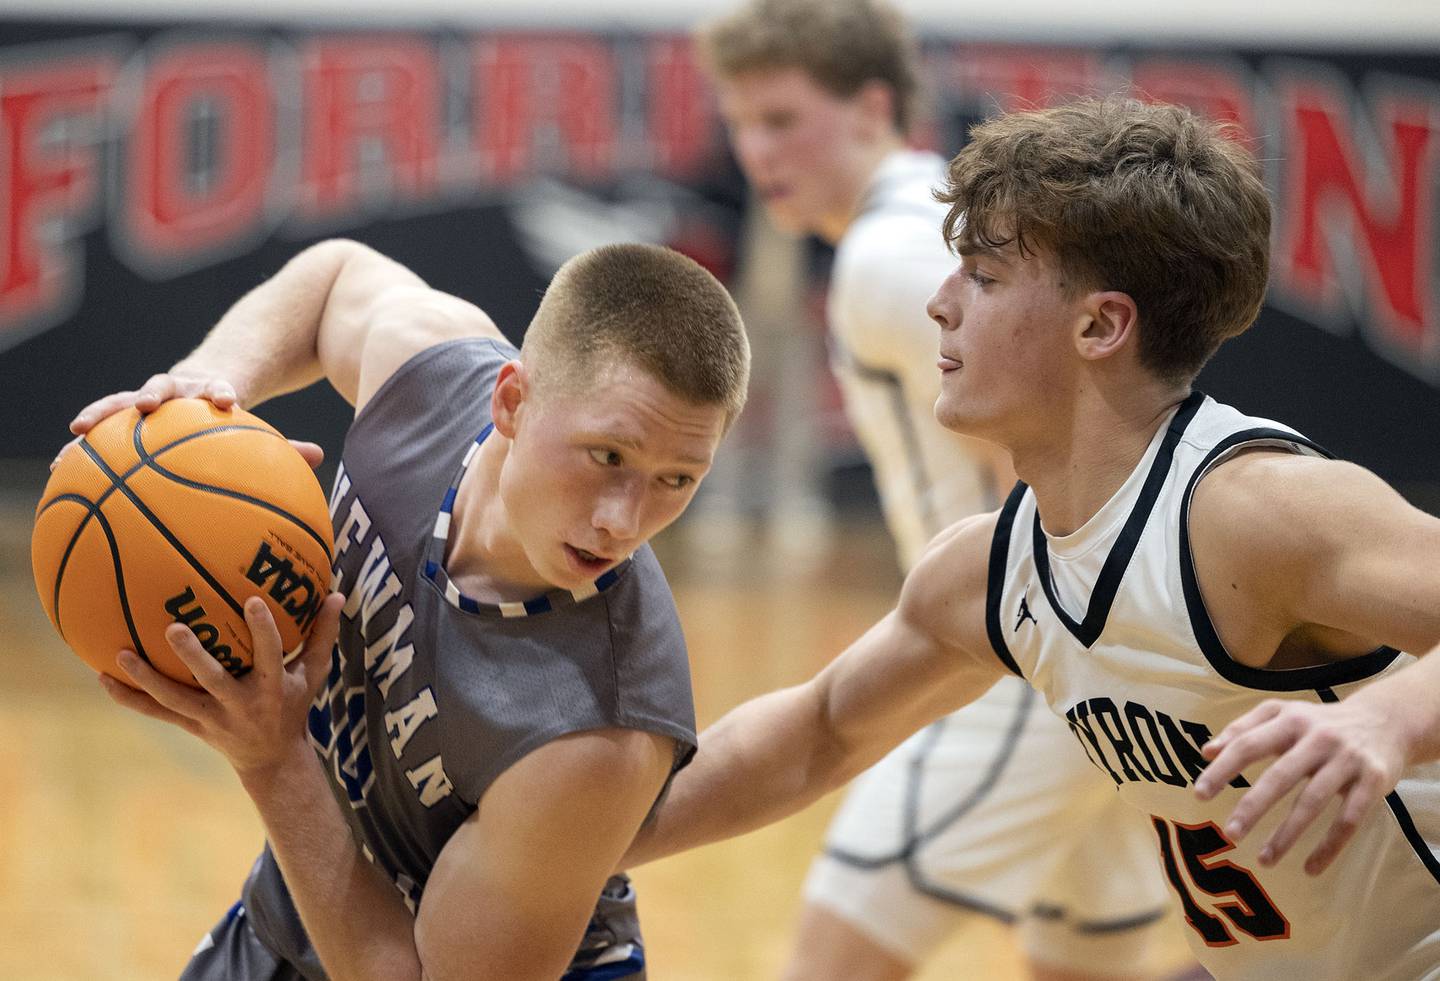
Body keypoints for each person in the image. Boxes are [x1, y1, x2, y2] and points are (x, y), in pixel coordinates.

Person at [624, 96, 1440, 981]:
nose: (939, 305)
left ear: (1100, 325)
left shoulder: (1254, 511)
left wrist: (1387, 719)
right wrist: (572, 842)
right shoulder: (992, 571)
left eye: (980, 276)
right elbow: (815, 734)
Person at [65, 238, 751, 980]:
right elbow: (333, 280)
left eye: (678, 479)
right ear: (512, 400)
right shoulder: (429, 372)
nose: (625, 519)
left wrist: (272, 760)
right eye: (609, 456)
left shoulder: (597, 728)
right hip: (309, 896)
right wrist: (210, 390)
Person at [696, 3, 1188, 978]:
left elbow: (1062, 449)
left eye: (784, 118)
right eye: (742, 123)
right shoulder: (930, 221)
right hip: (1101, 665)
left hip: (1023, 661)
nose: (758, 150)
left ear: (872, 105)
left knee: (831, 958)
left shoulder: (893, 257)